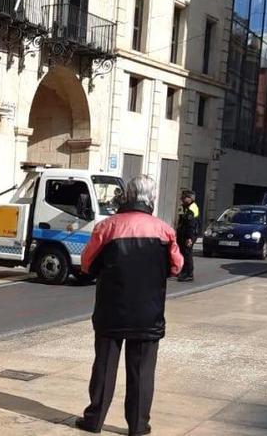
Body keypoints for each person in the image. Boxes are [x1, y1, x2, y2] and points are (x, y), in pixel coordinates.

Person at [74, 175, 183, 436]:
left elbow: (87, 263)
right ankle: (137, 425)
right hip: (148, 312)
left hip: (111, 310)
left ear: (126, 196)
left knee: (104, 366)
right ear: (152, 198)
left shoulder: (107, 227)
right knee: (142, 372)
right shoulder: (165, 231)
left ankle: (94, 420)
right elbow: (177, 266)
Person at [176, 189, 200, 282]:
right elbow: (181, 221)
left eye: (184, 197)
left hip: (190, 234)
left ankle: (189, 274)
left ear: (190, 198)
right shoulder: (184, 207)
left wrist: (189, 238)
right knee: (182, 252)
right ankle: (183, 271)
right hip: (183, 233)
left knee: (187, 253)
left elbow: (191, 224)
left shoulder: (192, 208)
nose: (182, 199)